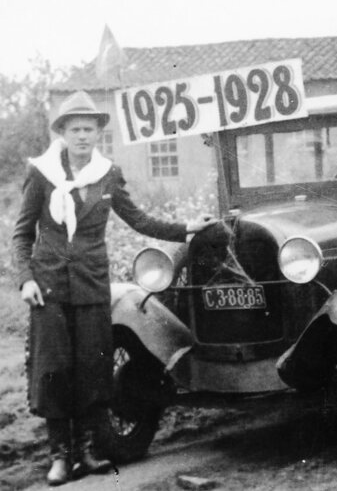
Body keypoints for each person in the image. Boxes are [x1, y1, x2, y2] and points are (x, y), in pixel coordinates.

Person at [12, 91, 217, 486]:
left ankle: (87, 451)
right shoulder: (41, 173)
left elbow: (138, 219)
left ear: (98, 134)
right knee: (54, 369)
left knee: (92, 367)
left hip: (91, 287)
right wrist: (26, 279)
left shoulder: (108, 173)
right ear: (63, 133)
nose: (82, 136)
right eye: (75, 129)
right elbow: (22, 234)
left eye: (89, 129)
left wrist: (186, 229)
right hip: (48, 288)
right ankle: (60, 456)